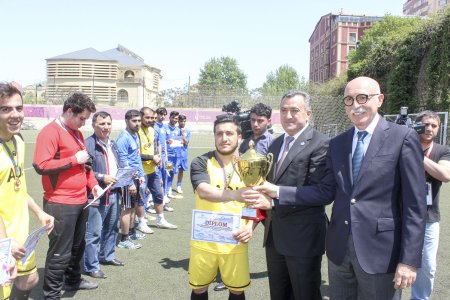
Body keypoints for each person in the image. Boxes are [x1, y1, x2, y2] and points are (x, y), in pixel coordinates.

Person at [251, 76, 427, 300]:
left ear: (380, 99)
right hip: (339, 251)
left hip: (380, 252)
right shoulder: (338, 143)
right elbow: (329, 190)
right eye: (349, 99)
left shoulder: (403, 137)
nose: (356, 105)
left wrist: (409, 260)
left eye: (363, 98)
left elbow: (415, 204)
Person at [261, 91, 330, 299]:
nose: (288, 115)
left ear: (308, 114)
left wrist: (277, 192)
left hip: (304, 238)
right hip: (274, 235)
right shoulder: (275, 144)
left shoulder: (321, 143)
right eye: (283, 110)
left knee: (304, 294)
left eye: (294, 110)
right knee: (279, 294)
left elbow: (323, 193)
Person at [33, 92, 102, 299]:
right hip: (60, 202)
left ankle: (72, 280)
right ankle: (51, 294)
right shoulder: (50, 132)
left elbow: (86, 166)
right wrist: (73, 159)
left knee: (77, 247)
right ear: (70, 111)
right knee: (59, 252)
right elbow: (40, 165)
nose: (84, 123)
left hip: (81, 200)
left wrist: (95, 185)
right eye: (82, 118)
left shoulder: (77, 133)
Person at [189, 115, 264, 300]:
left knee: (237, 290)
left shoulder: (251, 164)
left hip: (234, 240)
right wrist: (235, 194)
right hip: (204, 240)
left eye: (229, 133)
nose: (224, 138)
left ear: (239, 137)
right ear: (214, 136)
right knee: (199, 289)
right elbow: (203, 191)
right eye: (219, 133)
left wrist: (249, 227)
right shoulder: (201, 162)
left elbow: (254, 203)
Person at [0, 82, 54, 300]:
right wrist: (4, 243)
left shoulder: (18, 142)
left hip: (19, 235)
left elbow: (19, 188)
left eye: (19, 108)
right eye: (6, 109)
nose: (15, 115)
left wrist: (39, 213)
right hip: (4, 238)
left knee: (29, 279)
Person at [410, 111, 450, 300]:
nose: (429, 129)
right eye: (425, 125)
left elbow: (445, 175)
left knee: (427, 266)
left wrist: (417, 154)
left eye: (434, 126)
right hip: (400, 214)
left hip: (429, 217)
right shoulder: (402, 145)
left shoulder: (443, 150)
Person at [83, 111, 125, 280]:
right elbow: (85, 170)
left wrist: (126, 174)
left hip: (115, 192)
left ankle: (107, 256)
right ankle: (91, 266)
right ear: (93, 125)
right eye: (102, 124)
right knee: (93, 232)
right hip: (97, 194)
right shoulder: (88, 144)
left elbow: (118, 164)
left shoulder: (112, 144)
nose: (106, 127)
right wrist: (102, 177)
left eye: (108, 123)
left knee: (112, 227)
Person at [139, 107, 177, 230]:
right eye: (148, 117)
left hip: (153, 169)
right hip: (141, 171)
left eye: (152, 117)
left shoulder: (152, 130)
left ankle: (161, 220)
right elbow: (134, 154)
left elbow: (156, 145)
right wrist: (152, 157)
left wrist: (158, 158)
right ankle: (141, 222)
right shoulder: (137, 132)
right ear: (141, 117)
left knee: (159, 194)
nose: (151, 120)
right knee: (140, 198)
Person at [115, 110, 147, 249]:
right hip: (127, 180)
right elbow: (122, 163)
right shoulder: (123, 138)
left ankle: (132, 231)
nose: (138, 124)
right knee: (127, 209)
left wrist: (140, 174)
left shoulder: (135, 135)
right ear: (126, 121)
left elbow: (136, 157)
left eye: (139, 121)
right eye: (134, 121)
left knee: (133, 207)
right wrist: (129, 183)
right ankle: (124, 239)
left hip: (135, 178)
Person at [165, 111, 181, 198]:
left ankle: (169, 189)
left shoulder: (178, 130)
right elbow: (161, 141)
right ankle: (165, 191)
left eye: (177, 119)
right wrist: (166, 142)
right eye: (174, 118)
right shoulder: (165, 128)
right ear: (170, 118)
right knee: (167, 173)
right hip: (168, 156)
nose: (175, 120)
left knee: (172, 173)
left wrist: (180, 142)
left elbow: (179, 141)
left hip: (175, 156)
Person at [175, 114, 190, 194]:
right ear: (178, 121)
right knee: (171, 170)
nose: (183, 123)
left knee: (181, 171)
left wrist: (183, 134)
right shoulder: (175, 129)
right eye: (181, 121)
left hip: (183, 155)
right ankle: (169, 187)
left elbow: (186, 142)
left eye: (184, 121)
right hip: (174, 155)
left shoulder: (187, 131)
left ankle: (179, 186)